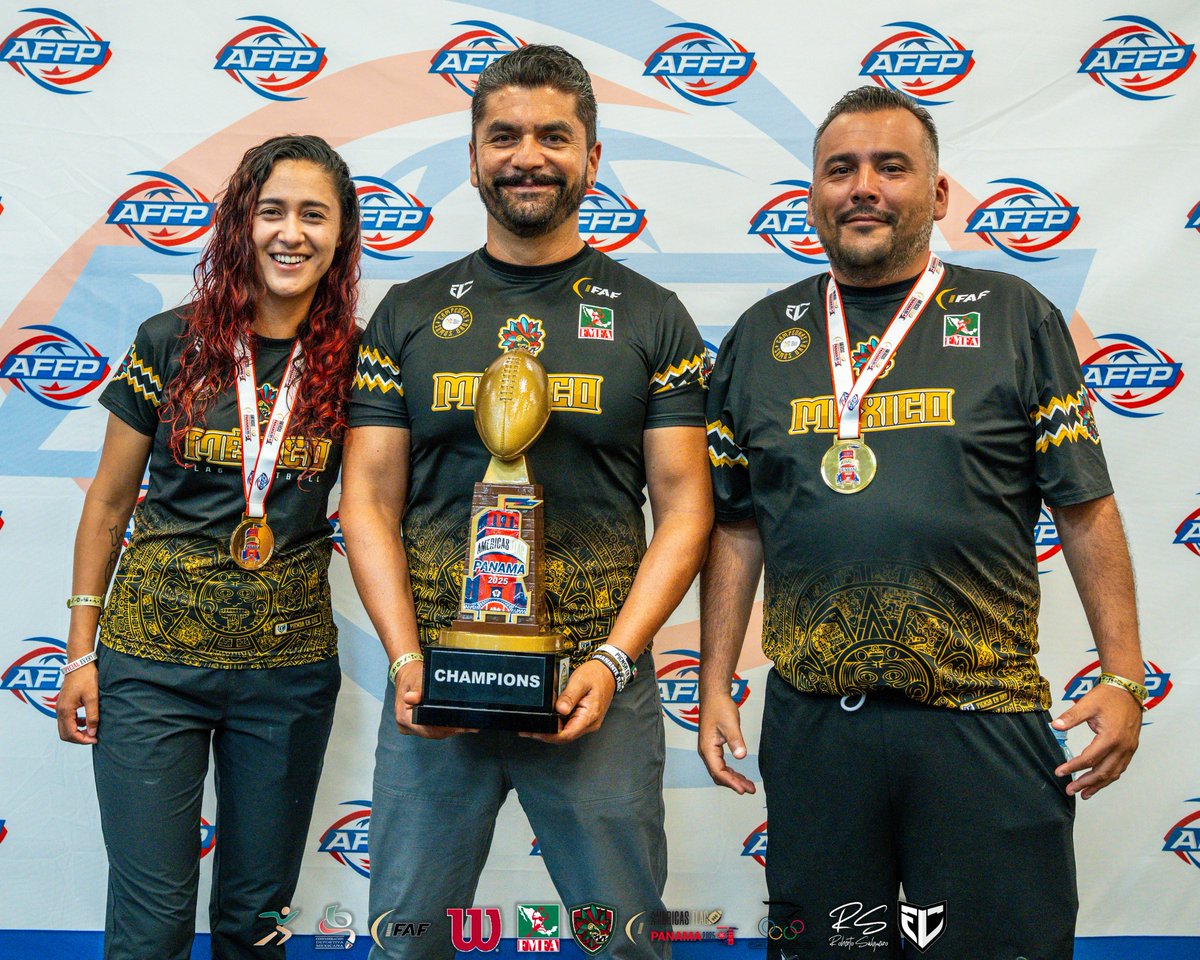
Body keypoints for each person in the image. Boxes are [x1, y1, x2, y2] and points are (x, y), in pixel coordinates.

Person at [698, 86, 1143, 960]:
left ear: (936, 196)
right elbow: (736, 527)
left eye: (890, 167)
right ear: (815, 196)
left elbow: (1085, 508)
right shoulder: (760, 336)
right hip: (819, 728)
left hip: (982, 719)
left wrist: (1124, 674)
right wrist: (715, 679)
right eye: (841, 169)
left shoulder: (1015, 316)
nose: (863, 186)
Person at [339, 45, 711, 960]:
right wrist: (403, 658)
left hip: (595, 687)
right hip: (438, 690)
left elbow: (687, 507)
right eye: (503, 136)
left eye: (554, 135)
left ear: (591, 155)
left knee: (623, 945)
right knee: (405, 943)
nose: (527, 155)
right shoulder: (411, 313)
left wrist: (619, 661)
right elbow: (368, 499)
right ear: (473, 158)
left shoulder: (651, 315)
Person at [57, 135, 361, 960]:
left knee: (255, 923)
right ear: (240, 225)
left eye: (312, 214)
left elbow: (374, 506)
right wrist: (79, 653)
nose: (289, 233)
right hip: (150, 668)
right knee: (151, 925)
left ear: (341, 236)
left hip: (286, 674)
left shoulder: (360, 366)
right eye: (270, 212)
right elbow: (110, 504)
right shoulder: (170, 341)